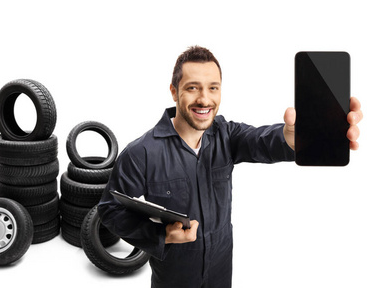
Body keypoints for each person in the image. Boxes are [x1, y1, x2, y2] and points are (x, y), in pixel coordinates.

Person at [98, 46, 362, 287]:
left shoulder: (227, 135)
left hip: (221, 272)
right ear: (174, 91)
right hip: (174, 278)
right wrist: (161, 234)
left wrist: (293, 139)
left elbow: (261, 140)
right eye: (193, 88)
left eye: (213, 88)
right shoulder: (141, 152)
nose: (204, 99)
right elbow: (110, 210)